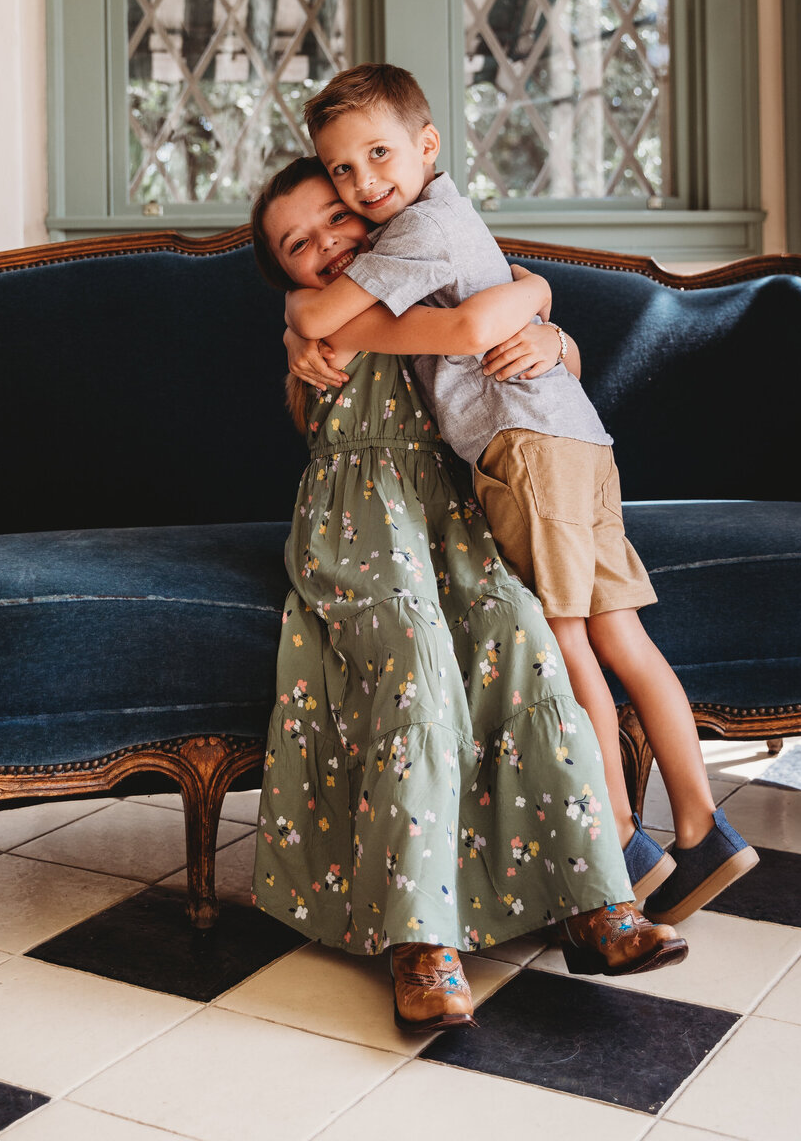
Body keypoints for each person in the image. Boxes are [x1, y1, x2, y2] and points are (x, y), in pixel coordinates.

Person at [285, 64, 759, 929]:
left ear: (428, 144)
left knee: (564, 639)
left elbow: (348, 320)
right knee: (625, 637)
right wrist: (536, 296)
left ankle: (617, 831)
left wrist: (298, 314)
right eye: (344, 170)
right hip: (577, 440)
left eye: (379, 155)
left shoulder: (416, 231)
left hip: (525, 449)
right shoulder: (443, 217)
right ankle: (703, 826)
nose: (365, 182)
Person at [250, 156, 687, 1034]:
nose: (327, 244)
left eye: (337, 219)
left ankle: (594, 899)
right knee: (413, 652)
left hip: (454, 507)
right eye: (299, 244)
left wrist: (543, 313)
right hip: (360, 516)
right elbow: (342, 342)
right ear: (287, 274)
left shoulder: (425, 274)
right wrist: (303, 334)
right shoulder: (323, 323)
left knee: (520, 627)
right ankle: (423, 941)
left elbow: (511, 338)